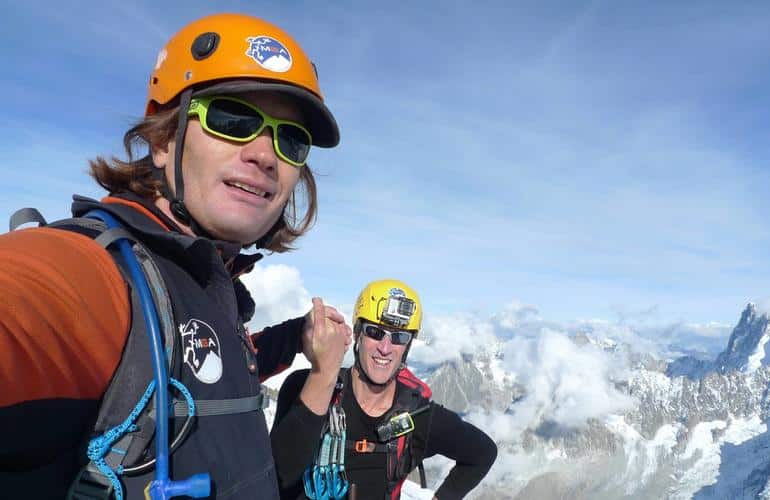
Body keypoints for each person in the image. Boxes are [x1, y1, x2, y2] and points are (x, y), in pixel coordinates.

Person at [0, 13, 351, 499]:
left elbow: (223, 361)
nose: (266, 154)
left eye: (291, 140)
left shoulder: (209, 282)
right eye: (234, 118)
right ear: (164, 139)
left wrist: (299, 336)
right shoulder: (95, 272)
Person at [271, 279, 498, 499]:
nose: (385, 348)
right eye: (375, 332)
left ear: (407, 346)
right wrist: (321, 376)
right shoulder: (305, 387)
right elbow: (275, 475)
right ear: (358, 332)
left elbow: (482, 453)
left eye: (399, 337)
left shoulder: (417, 415)